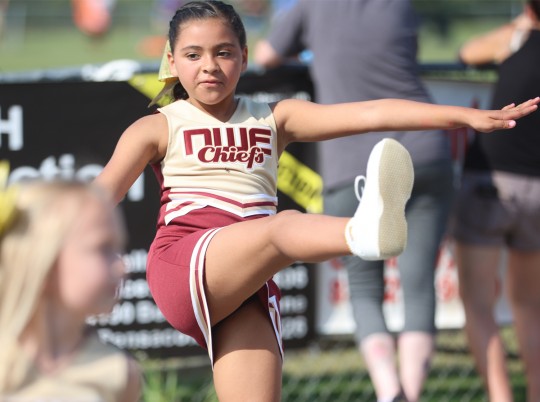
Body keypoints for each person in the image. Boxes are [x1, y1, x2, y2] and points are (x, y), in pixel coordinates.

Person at [93, 1, 538, 400]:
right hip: (184, 264)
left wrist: (465, 116)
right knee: (283, 227)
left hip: (246, 287)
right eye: (193, 55)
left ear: (245, 56)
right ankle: (362, 231)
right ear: (172, 61)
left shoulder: (274, 117)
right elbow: (95, 200)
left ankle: (366, 231)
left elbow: (371, 113)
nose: (209, 66)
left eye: (223, 52)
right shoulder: (158, 127)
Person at [254, 1, 455, 400]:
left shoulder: (311, 7)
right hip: (425, 148)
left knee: (364, 287)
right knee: (419, 284)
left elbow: (265, 56)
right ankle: (411, 395)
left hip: (352, 161)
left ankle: (389, 391)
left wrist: (309, 48)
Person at [452, 1, 540, 401]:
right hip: (536, 190)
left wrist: (521, 25)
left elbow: (466, 52)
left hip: (491, 179)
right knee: (531, 306)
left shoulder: (516, 38)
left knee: (478, 304)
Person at [0, 170, 142, 401]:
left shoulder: (118, 373)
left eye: (119, 248)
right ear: (43, 260)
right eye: (103, 248)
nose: (122, 266)